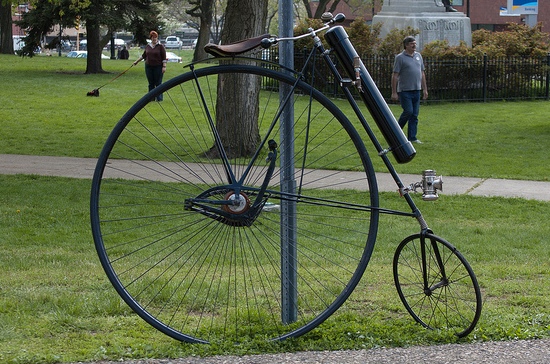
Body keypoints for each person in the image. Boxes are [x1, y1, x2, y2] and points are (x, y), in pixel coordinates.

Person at [391, 36, 428, 144]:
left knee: (414, 115)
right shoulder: (400, 58)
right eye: (412, 44)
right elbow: (395, 75)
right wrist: (394, 92)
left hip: (416, 90)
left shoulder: (418, 56)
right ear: (406, 45)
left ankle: (412, 137)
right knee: (408, 111)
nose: (414, 45)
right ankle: (396, 132)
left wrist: (425, 89)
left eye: (415, 43)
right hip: (405, 90)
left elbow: (422, 73)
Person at [133, 31, 167, 101]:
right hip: (148, 66)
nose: (154, 39)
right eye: (153, 37)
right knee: (151, 83)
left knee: (158, 83)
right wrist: (136, 61)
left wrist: (164, 67)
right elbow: (144, 56)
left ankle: (159, 98)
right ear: (151, 38)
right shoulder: (148, 46)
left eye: (155, 37)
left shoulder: (160, 46)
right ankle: (151, 98)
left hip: (158, 66)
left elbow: (164, 58)